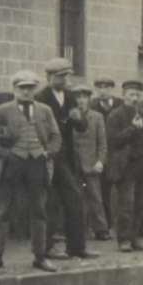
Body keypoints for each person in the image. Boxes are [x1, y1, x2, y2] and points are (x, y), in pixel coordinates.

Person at [0, 69, 62, 271]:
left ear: (35, 89)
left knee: (39, 211)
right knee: (2, 211)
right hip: (12, 165)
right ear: (14, 89)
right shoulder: (3, 110)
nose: (26, 92)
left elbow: (56, 136)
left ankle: (40, 257)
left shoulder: (45, 110)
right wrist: (5, 154)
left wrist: (47, 153)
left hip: (37, 164)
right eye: (22, 88)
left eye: (30, 88)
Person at [34, 58, 95, 260]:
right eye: (61, 76)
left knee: (74, 200)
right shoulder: (40, 98)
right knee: (49, 202)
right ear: (49, 77)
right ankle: (46, 247)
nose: (66, 79)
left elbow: (82, 127)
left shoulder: (70, 97)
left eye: (67, 75)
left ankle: (76, 247)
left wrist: (79, 119)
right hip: (47, 157)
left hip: (66, 157)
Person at [105, 80, 143, 251]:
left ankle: (136, 237)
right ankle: (123, 239)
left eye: (138, 95)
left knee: (140, 203)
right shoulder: (115, 116)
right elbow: (114, 141)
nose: (135, 98)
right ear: (124, 95)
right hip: (125, 166)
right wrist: (132, 128)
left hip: (141, 164)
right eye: (131, 95)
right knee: (126, 203)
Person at [68, 82, 110, 240]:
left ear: (89, 99)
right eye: (77, 98)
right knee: (74, 197)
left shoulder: (97, 117)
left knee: (95, 197)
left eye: (84, 97)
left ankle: (101, 229)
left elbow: (102, 142)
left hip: (91, 163)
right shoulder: (68, 116)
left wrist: (100, 161)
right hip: (73, 163)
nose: (81, 101)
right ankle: (79, 229)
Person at [89, 77, 121, 228]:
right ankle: (105, 224)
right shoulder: (92, 105)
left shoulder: (120, 104)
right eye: (99, 87)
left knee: (121, 189)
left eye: (106, 87)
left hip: (117, 152)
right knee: (102, 190)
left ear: (111, 89)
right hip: (99, 153)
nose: (102, 91)